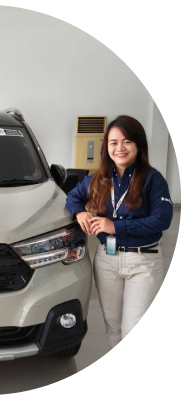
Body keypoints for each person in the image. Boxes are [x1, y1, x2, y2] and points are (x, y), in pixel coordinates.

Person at [66, 115, 173, 349]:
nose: (120, 148)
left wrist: (115, 226)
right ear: (106, 147)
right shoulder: (98, 179)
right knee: (113, 327)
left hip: (143, 261)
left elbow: (162, 219)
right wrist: (80, 212)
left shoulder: (153, 179)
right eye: (113, 142)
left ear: (138, 145)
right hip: (107, 260)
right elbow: (72, 196)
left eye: (127, 141)